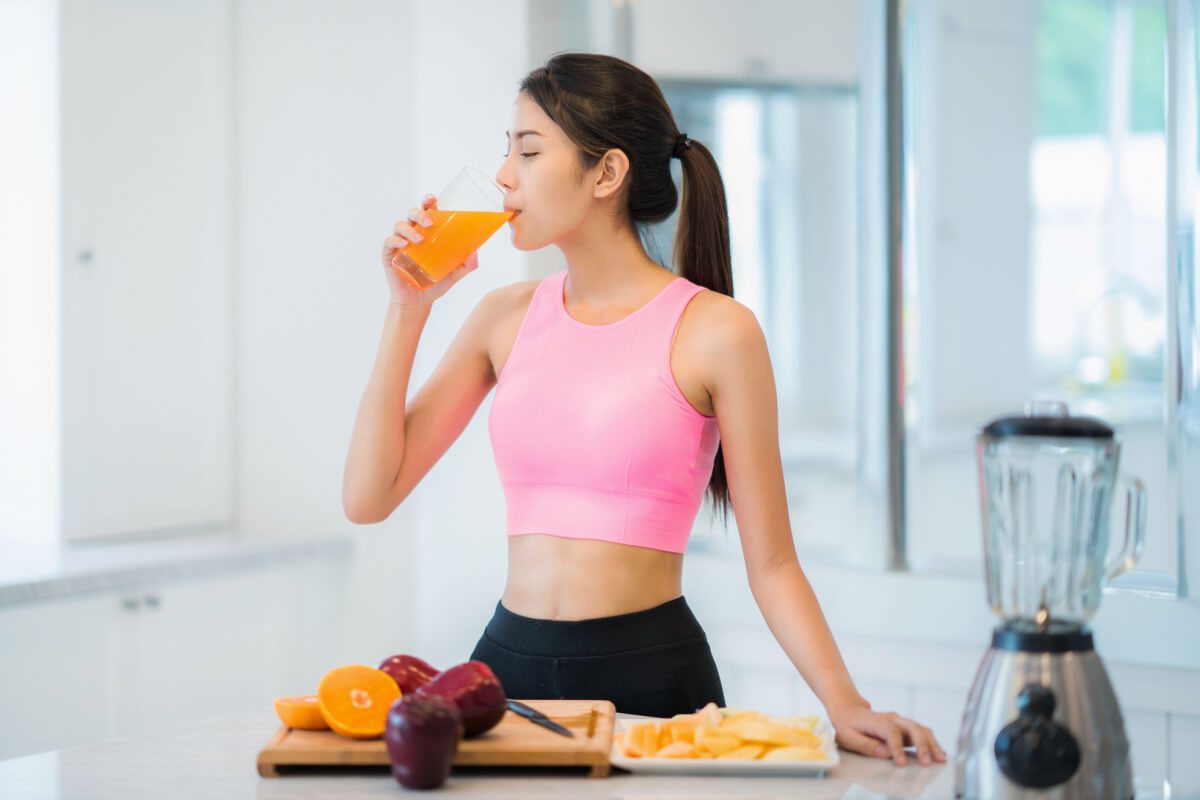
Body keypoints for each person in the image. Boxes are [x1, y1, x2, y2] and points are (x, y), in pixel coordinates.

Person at [343, 52, 945, 767]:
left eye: (528, 151)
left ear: (607, 173)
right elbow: (367, 497)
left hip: (652, 675)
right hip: (505, 675)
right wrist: (406, 311)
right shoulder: (500, 318)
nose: (504, 175)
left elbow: (775, 563)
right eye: (506, 150)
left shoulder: (718, 332)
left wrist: (845, 704)